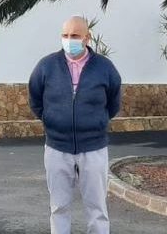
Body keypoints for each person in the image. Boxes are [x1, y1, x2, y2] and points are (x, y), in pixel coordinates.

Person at [28, 15, 122, 234]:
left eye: (75, 36)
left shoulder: (105, 68)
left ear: (87, 38)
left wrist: (95, 122)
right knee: (59, 207)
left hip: (94, 149)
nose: (69, 40)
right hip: (56, 148)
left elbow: (113, 103)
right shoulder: (46, 66)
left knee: (97, 208)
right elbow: (35, 99)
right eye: (65, 35)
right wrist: (52, 121)